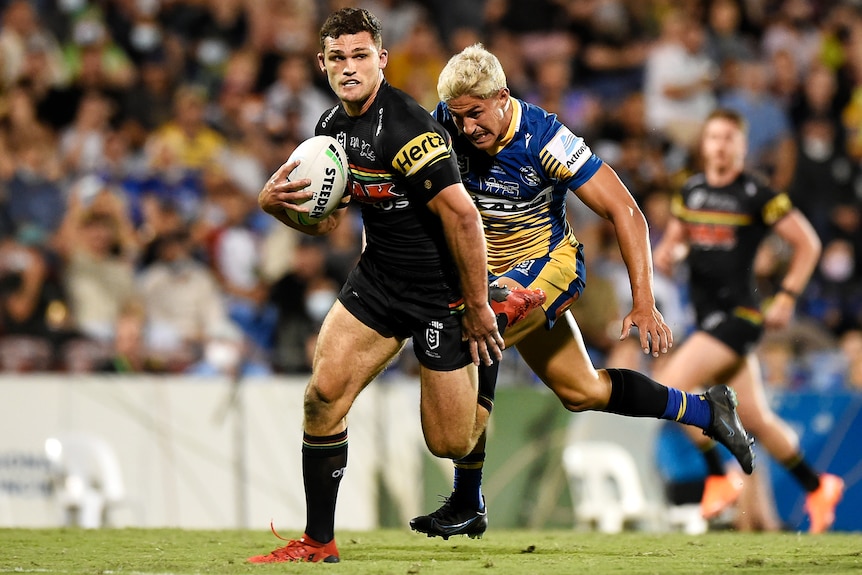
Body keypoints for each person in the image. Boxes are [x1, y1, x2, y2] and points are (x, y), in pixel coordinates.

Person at [409, 44, 756, 540]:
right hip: (484, 270)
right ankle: (708, 410)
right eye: (457, 117)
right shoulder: (443, 123)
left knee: (482, 323)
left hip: (545, 264)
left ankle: (468, 498)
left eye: (475, 115)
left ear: (502, 97)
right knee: (582, 390)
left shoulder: (547, 138)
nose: (466, 129)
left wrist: (643, 301)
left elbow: (626, 211)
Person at [247, 9, 544, 563]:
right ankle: (319, 542)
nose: (349, 67)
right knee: (322, 398)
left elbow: (463, 219)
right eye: (338, 57)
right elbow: (328, 222)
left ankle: (499, 320)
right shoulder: (329, 131)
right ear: (323, 64)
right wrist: (274, 207)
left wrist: (477, 305)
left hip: (441, 294)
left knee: (449, 442)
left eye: (360, 55)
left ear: (382, 59)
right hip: (379, 281)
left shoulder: (408, 127)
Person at [652, 108, 843, 533]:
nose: (720, 145)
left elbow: (807, 244)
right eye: (713, 138)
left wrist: (788, 296)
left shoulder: (757, 193)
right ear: (704, 145)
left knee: (671, 387)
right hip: (708, 320)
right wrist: (670, 254)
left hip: (740, 316)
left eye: (728, 138)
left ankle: (719, 476)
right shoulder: (692, 191)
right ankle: (817, 485)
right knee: (755, 419)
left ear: (741, 146)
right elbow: (679, 243)